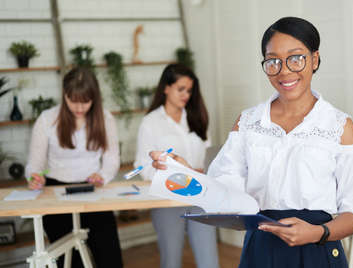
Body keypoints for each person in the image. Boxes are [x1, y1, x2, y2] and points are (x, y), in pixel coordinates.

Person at [150, 17, 353, 268]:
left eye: (296, 58)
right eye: (273, 61)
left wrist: (318, 232)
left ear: (314, 59)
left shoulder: (339, 126)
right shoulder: (248, 122)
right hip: (261, 248)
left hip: (316, 250)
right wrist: (185, 172)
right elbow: (225, 189)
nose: (284, 70)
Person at [26, 67, 123, 268]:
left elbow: (112, 159)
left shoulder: (105, 119)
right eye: (73, 101)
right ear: (64, 95)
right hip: (55, 192)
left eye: (85, 102)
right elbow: (34, 164)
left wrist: (102, 176)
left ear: (94, 98)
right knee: (69, 260)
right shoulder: (47, 119)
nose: (79, 107)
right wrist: (34, 176)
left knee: (109, 254)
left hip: (93, 189)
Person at [134, 64, 219, 268]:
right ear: (166, 88)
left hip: (200, 196)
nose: (186, 95)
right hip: (168, 199)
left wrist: (203, 170)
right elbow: (143, 169)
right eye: (181, 89)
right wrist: (173, 167)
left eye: (189, 90)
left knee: (210, 262)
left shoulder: (196, 117)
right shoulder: (151, 123)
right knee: (170, 261)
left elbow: (209, 159)